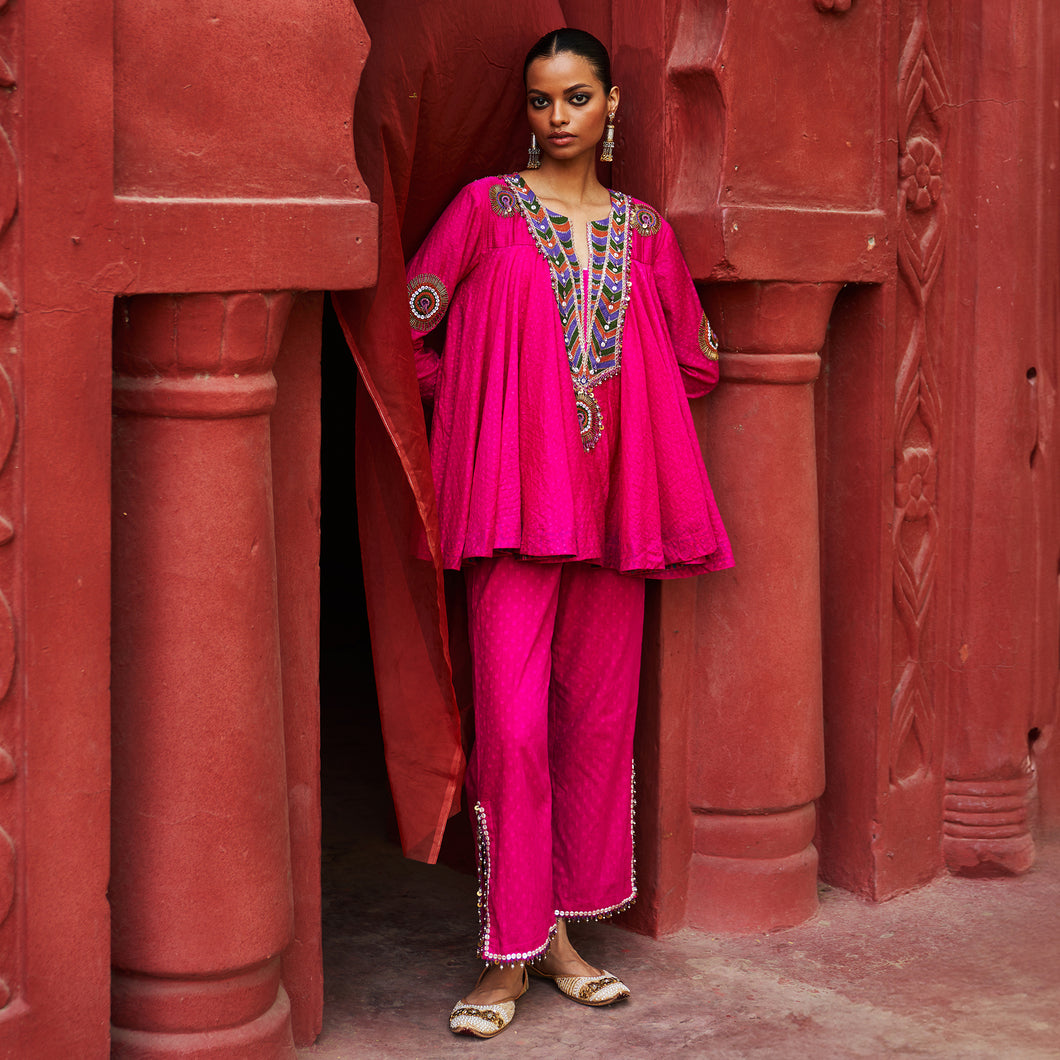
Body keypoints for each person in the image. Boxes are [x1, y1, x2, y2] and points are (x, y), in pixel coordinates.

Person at [404, 28, 733, 1039]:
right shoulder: (484, 212)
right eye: (540, 101)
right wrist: (489, 421)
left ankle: (558, 940)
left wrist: (615, 427)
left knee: (592, 722)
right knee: (510, 729)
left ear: (611, 108)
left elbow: (695, 360)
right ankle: (504, 956)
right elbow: (413, 331)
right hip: (511, 505)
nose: (556, 119)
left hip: (612, 516)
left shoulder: (645, 235)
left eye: (576, 98)